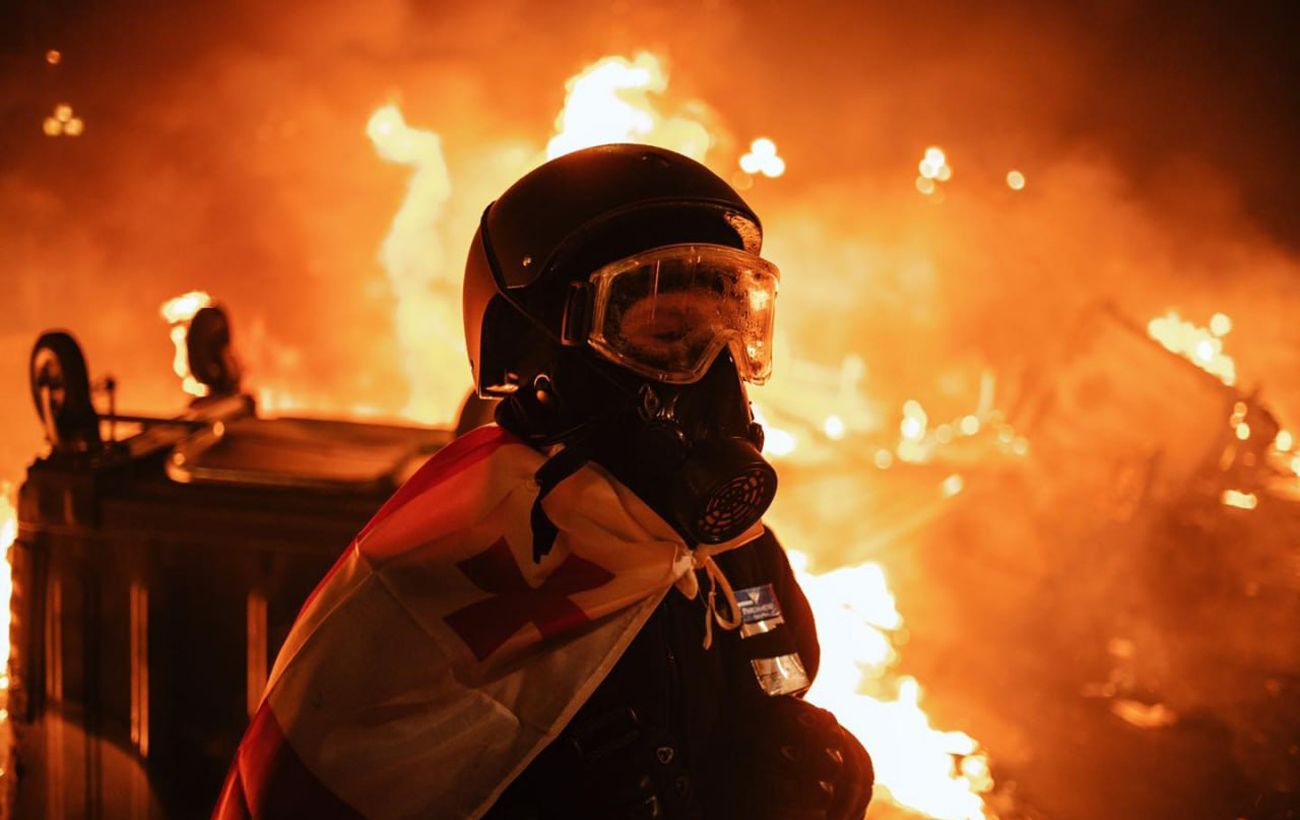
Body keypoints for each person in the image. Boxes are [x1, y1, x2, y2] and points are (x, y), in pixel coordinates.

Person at [214, 144, 873, 820]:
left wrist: (782, 746)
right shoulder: (453, 567)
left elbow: (774, 676)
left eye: (729, 336)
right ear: (536, 355)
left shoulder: (728, 550)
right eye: (667, 333)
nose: (714, 379)